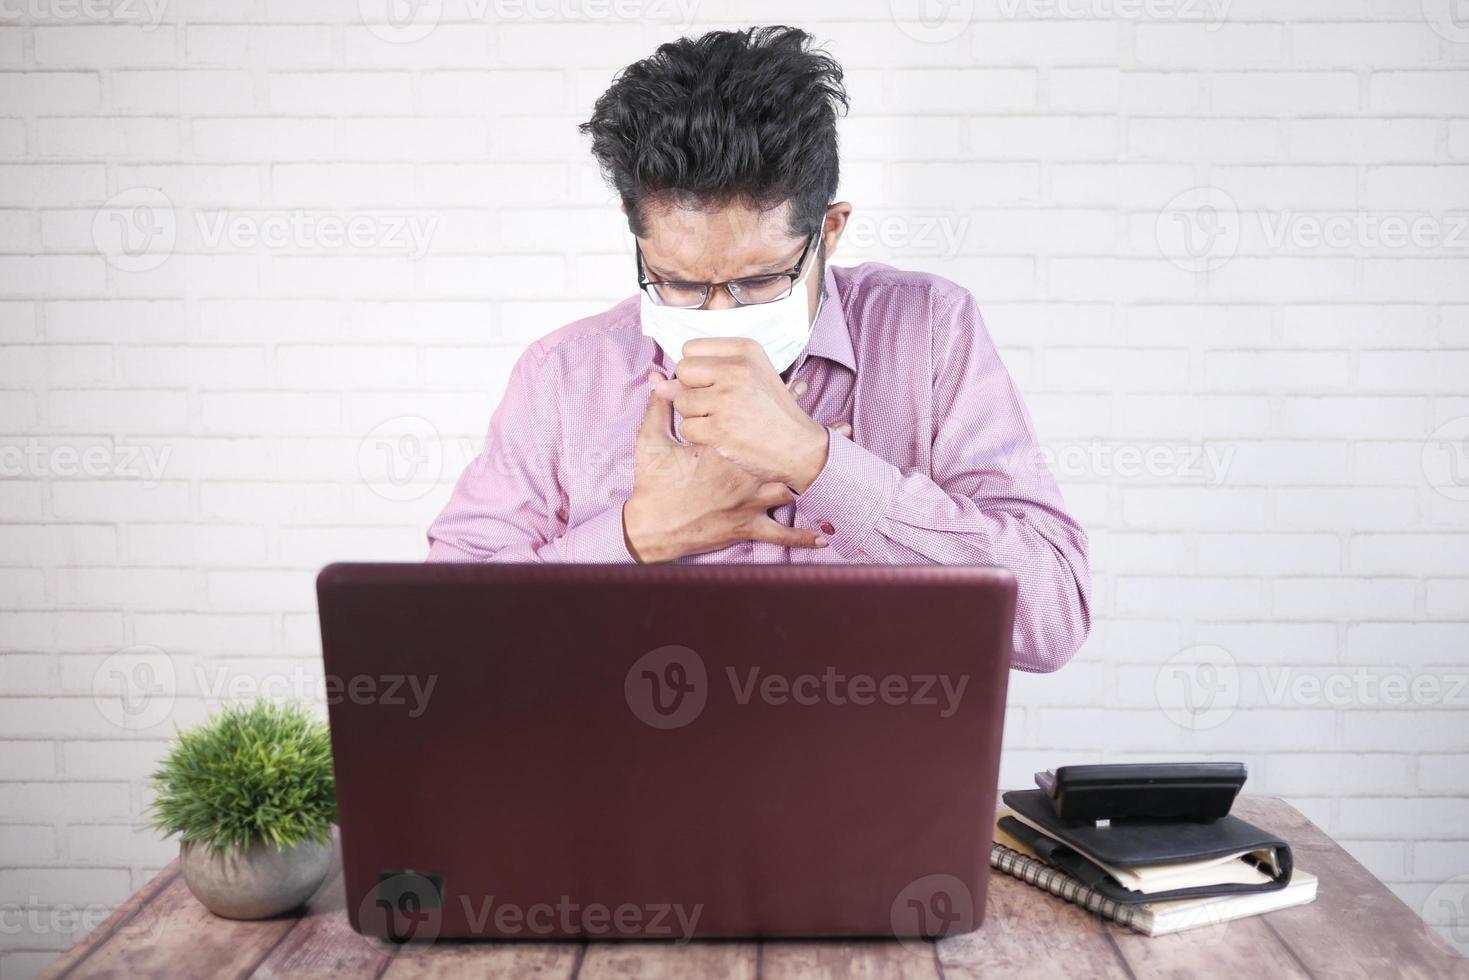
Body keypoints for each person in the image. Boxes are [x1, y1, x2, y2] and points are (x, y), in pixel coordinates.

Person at [428, 26, 1090, 672]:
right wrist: (638, 534)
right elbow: (447, 636)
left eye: (758, 280)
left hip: (865, 774)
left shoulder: (927, 330)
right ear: (638, 240)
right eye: (679, 283)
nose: (719, 316)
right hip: (630, 774)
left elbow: (1049, 619)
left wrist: (818, 462)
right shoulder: (564, 375)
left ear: (828, 232)